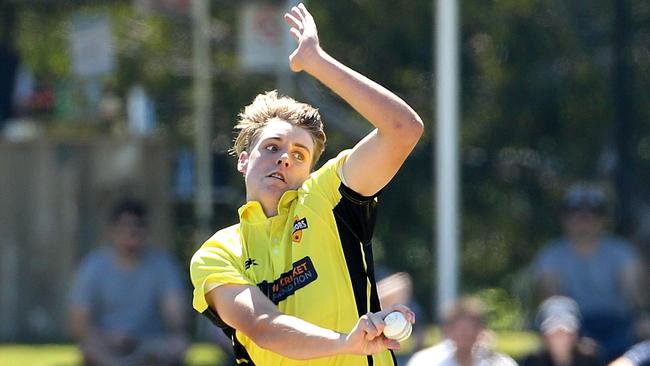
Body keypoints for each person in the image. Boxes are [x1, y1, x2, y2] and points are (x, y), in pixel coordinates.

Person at [189, 3, 423, 365]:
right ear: (243, 159)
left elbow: (403, 130)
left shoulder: (327, 195)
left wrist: (315, 61)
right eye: (271, 147)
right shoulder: (218, 252)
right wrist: (347, 342)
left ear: (310, 170)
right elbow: (262, 327)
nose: (284, 158)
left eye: (300, 154)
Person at [531, 182, 648, 362]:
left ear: (603, 219)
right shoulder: (550, 255)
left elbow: (635, 297)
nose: (583, 219)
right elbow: (551, 300)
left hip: (617, 323)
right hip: (575, 325)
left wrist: (642, 318)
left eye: (592, 213)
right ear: (565, 218)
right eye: (575, 213)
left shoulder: (622, 251)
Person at [69, 198, 189, 366]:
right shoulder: (93, 266)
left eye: (138, 226)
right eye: (124, 227)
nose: (131, 233)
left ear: (147, 230)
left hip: (150, 343)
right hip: (107, 342)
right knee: (90, 347)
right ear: (112, 231)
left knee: (177, 346)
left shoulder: (163, 265)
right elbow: (79, 322)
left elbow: (176, 318)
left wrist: (173, 330)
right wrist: (107, 337)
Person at [406, 296, 517, 366]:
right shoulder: (426, 361)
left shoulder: (500, 362)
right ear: (447, 330)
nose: (465, 335)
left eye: (471, 329)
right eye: (460, 330)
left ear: (481, 330)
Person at [520, 296, 601, 366]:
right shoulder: (532, 362)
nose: (560, 339)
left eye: (565, 333)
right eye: (554, 334)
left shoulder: (590, 359)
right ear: (544, 337)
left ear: (575, 335)